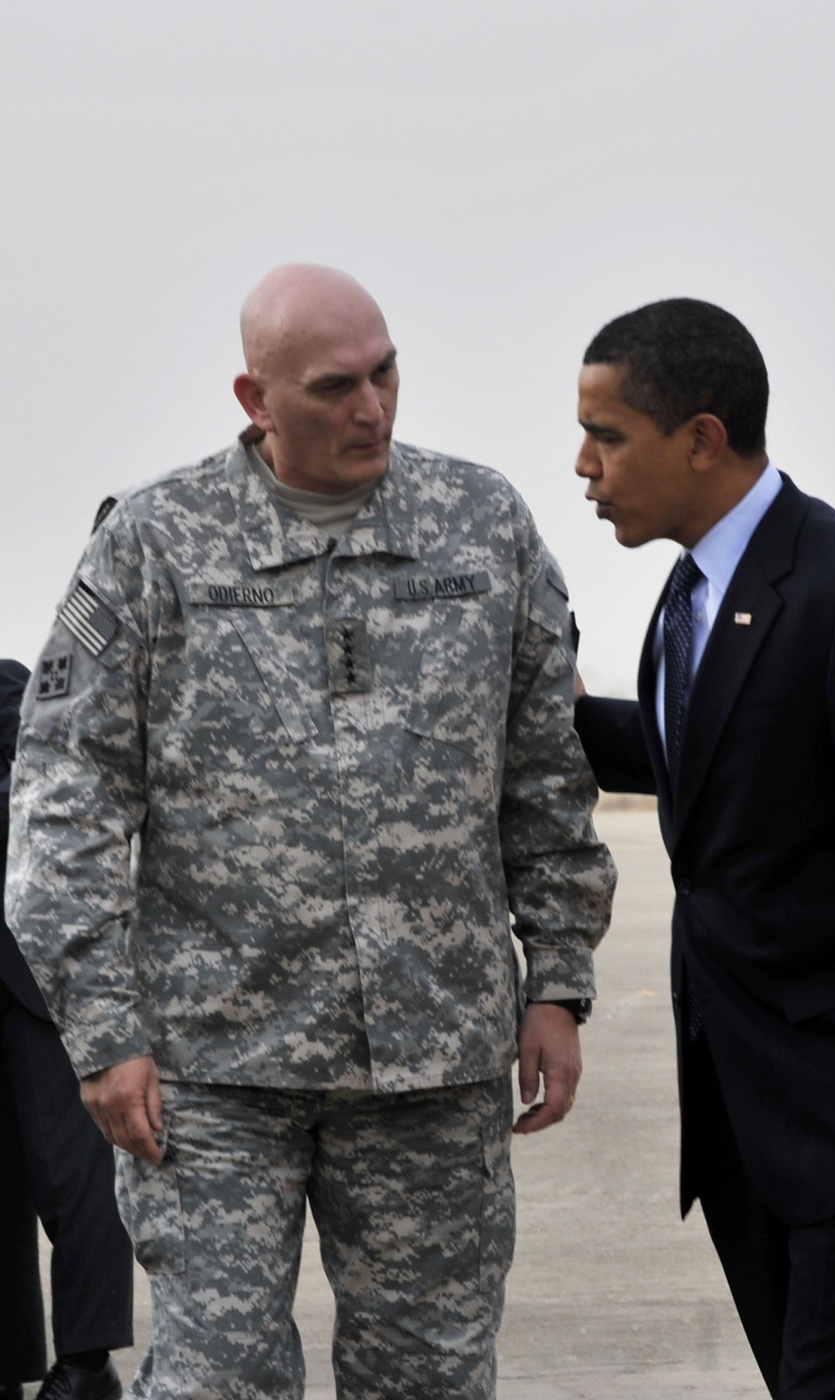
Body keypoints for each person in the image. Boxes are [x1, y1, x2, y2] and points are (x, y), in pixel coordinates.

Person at [5, 265, 616, 1400]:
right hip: (212, 1067)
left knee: (426, 1381)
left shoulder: (481, 528)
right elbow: (63, 795)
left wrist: (559, 979)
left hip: (435, 1062)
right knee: (214, 1380)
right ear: (257, 398)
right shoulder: (156, 545)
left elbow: (544, 772)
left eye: (385, 373)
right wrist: (100, 1029)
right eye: (335, 386)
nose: (372, 407)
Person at [571, 297, 835, 1399]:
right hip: (748, 1138)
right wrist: (550, 717)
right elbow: (709, 760)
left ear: (701, 439)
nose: (584, 466)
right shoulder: (694, 592)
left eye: (608, 436)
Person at [1, 658, 132, 1400]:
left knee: (75, 1178)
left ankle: (87, 1362)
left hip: (30, 981)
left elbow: (33, 791)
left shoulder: (8, 686)